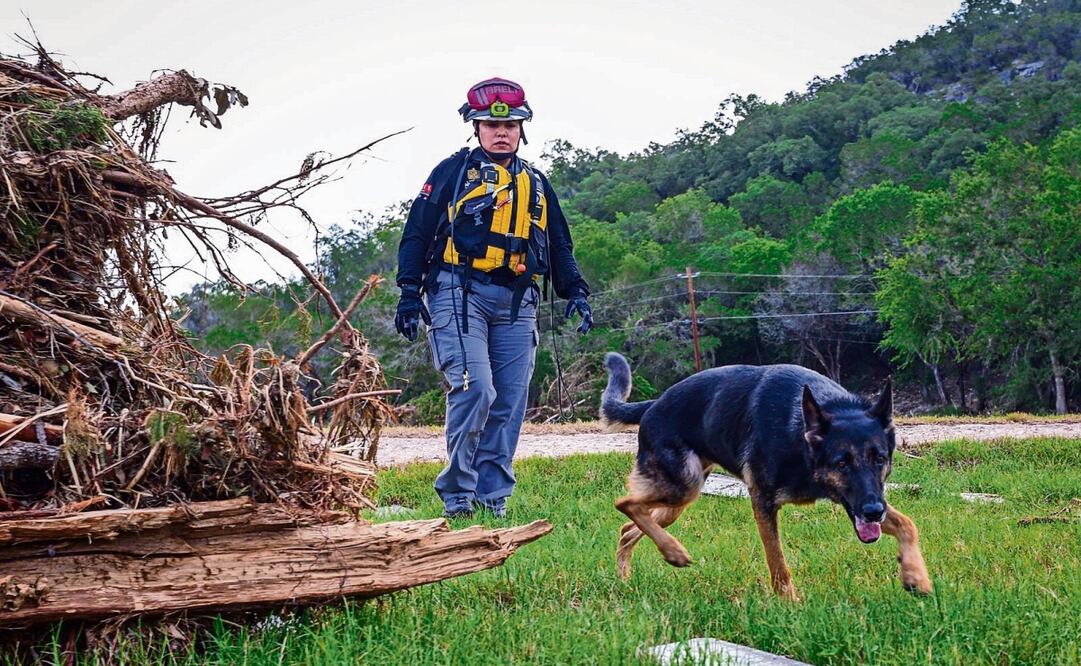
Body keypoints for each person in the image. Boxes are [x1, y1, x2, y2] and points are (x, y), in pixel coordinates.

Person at [395, 77, 592, 518]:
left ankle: (492, 498)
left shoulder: (536, 182)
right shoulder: (451, 172)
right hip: (457, 292)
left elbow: (559, 244)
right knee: (476, 389)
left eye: (510, 125)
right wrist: (409, 291)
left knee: (508, 400)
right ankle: (458, 495)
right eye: (489, 124)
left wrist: (576, 291)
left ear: (522, 128)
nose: (501, 132)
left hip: (518, 300)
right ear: (475, 127)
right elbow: (417, 232)